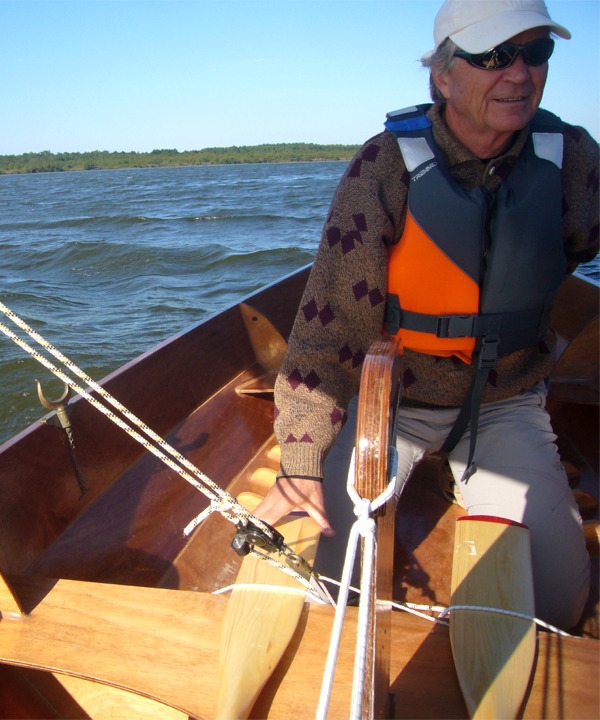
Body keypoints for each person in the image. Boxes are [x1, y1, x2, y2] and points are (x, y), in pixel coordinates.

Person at [253, 0, 598, 630]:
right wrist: (301, 460)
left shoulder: (571, 158)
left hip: (506, 402)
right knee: (330, 589)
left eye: (536, 52)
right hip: (394, 402)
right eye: (494, 56)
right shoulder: (383, 169)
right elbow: (324, 341)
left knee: (557, 604)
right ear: (441, 75)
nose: (519, 73)